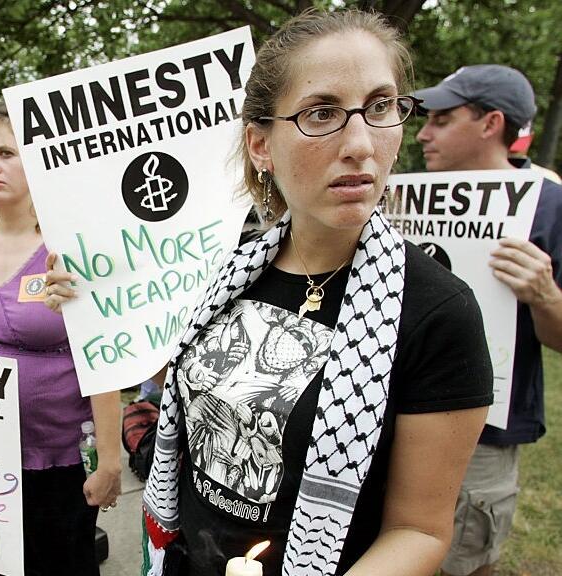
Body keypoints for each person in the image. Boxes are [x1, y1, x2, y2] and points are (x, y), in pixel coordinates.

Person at [47, 10, 494, 576]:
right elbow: (184, 387)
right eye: (322, 113)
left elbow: (419, 530)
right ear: (261, 145)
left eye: (380, 106)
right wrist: (99, 307)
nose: (360, 143)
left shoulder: (436, 312)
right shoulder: (224, 271)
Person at [0, 104, 122, 576]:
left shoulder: (71, 244)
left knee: (63, 565)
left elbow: (104, 356)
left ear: (39, 163)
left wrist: (110, 462)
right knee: (5, 567)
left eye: (7, 153)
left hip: (55, 457)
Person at [414, 64, 562, 576]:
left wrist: (544, 295)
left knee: (462, 558)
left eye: (441, 119)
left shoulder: (548, 207)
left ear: (490, 123)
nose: (422, 133)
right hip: (396, 419)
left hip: (483, 435)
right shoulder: (400, 200)